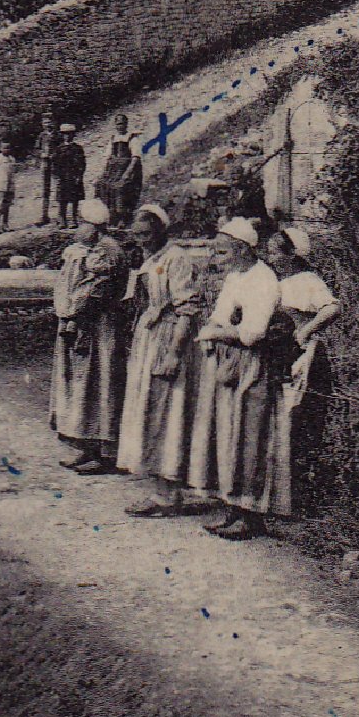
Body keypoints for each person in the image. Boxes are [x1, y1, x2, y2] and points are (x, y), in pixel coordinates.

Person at [186, 217, 281, 539]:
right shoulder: (236, 276)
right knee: (228, 433)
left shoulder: (263, 279)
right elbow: (218, 317)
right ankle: (232, 509)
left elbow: (254, 333)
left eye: (223, 252)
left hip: (254, 364)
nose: (217, 258)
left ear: (242, 249)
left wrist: (218, 333)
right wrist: (217, 331)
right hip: (230, 361)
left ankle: (251, 515)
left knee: (250, 435)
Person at [117, 206, 215, 516]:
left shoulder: (177, 259)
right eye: (137, 234)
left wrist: (174, 353)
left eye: (147, 233)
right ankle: (160, 488)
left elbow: (187, 310)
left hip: (170, 339)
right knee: (149, 409)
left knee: (168, 412)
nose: (141, 239)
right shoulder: (151, 260)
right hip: (150, 338)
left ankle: (167, 494)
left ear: (161, 231)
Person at [262, 226, 342, 518]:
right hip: (283, 356)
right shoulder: (278, 281)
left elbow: (332, 307)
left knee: (298, 422)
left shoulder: (307, 280)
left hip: (304, 359)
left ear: (292, 254)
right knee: (281, 423)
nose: (270, 257)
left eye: (275, 251)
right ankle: (281, 498)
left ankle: (298, 500)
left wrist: (306, 330)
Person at [50, 199, 130, 474]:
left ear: (94, 226)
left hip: (100, 326)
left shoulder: (108, 252)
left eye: (82, 223)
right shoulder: (90, 249)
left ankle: (106, 453)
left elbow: (95, 292)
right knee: (85, 383)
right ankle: (87, 447)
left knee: (100, 381)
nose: (77, 228)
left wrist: (76, 315)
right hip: (87, 323)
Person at [94, 114, 144, 226]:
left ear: (126, 124)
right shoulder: (113, 139)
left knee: (120, 188)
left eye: (122, 123)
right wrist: (102, 173)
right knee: (102, 185)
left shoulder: (132, 138)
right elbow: (107, 157)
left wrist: (127, 173)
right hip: (114, 170)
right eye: (118, 124)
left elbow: (135, 158)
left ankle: (123, 217)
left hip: (128, 170)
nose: (120, 126)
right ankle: (111, 216)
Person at [51, 126, 87, 228]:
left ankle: (73, 219)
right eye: (65, 134)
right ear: (62, 135)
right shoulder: (58, 149)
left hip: (74, 175)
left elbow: (82, 163)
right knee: (62, 198)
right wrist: (56, 176)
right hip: (63, 176)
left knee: (75, 198)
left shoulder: (78, 148)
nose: (67, 136)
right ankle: (62, 219)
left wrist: (79, 176)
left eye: (70, 134)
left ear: (73, 135)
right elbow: (55, 163)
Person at [0, 141, 18, 233]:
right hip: (0, 186)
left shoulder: (12, 159)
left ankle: (5, 224)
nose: (6, 150)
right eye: (4, 148)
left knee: (7, 205)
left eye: (8, 148)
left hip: (9, 185)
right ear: (0, 149)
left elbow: (13, 171)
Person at [34, 114, 56, 225]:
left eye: (49, 122)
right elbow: (37, 149)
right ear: (42, 124)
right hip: (45, 164)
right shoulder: (41, 136)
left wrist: (55, 155)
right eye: (45, 122)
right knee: (45, 189)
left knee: (59, 188)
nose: (47, 124)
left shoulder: (58, 135)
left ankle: (60, 215)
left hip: (56, 164)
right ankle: (44, 215)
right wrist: (42, 154)